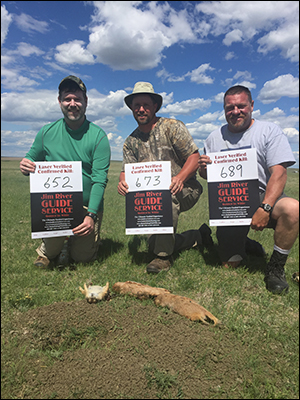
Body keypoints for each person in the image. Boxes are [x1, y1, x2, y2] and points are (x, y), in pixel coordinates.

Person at [199, 85, 299, 294]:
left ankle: (275, 268)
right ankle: (245, 243)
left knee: (293, 209)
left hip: (265, 196)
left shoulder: (269, 131)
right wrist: (203, 169)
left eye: (241, 106)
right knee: (230, 264)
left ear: (252, 106)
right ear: (224, 110)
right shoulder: (213, 138)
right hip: (231, 202)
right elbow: (209, 177)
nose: (236, 111)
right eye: (230, 107)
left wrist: (265, 207)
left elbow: (279, 173)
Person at [118, 81, 212, 274]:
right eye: (137, 106)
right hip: (151, 197)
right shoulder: (130, 142)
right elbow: (125, 171)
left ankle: (162, 258)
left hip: (186, 188)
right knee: (154, 241)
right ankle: (198, 236)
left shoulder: (172, 127)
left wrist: (180, 178)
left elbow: (194, 158)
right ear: (132, 109)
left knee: (165, 197)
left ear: (155, 107)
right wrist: (122, 182)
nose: (141, 109)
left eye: (146, 105)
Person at [20, 75, 111, 268]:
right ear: (59, 101)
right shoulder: (46, 132)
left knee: (83, 258)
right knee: (50, 254)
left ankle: (83, 241)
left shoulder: (98, 136)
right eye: (67, 99)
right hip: (55, 206)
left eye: (77, 99)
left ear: (86, 101)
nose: (72, 104)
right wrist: (26, 165)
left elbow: (99, 180)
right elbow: (30, 158)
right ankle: (49, 248)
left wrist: (91, 215)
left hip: (86, 207)